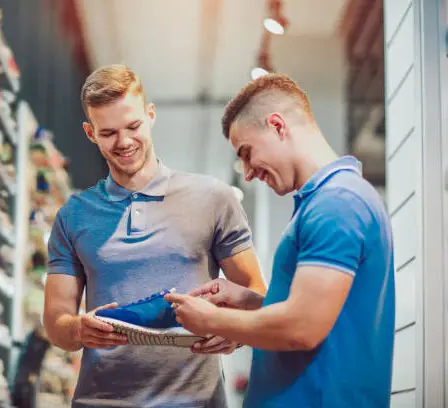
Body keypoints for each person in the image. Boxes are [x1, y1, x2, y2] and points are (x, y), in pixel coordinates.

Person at [43, 64, 266, 408]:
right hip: (101, 401)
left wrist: (234, 332)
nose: (124, 142)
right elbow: (57, 321)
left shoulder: (214, 198)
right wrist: (78, 330)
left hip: (196, 400)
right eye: (108, 133)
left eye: (133, 126)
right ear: (90, 132)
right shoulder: (74, 215)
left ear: (150, 115)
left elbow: (255, 293)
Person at [166, 73, 395, 408]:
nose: (246, 172)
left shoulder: (337, 203)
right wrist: (251, 301)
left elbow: (302, 329)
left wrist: (210, 320)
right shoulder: (325, 202)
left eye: (246, 152)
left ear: (277, 126)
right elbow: (320, 317)